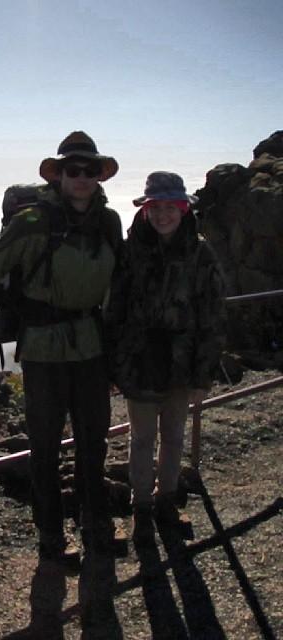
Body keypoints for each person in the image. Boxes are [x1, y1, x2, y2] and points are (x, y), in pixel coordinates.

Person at [0, 131, 123, 563]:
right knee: (45, 447)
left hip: (92, 346)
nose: (80, 177)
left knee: (94, 443)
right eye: (72, 169)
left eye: (88, 170)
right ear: (59, 175)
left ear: (99, 176)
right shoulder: (33, 221)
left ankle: (95, 526)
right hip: (43, 350)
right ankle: (52, 537)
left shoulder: (108, 223)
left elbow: (121, 283)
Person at [106, 171, 226, 545]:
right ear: (145, 210)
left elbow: (212, 315)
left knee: (173, 435)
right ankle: (141, 504)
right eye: (155, 207)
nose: (162, 215)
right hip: (139, 360)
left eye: (169, 207)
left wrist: (202, 376)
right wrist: (113, 363)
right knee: (142, 438)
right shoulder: (129, 251)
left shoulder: (200, 252)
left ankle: (165, 500)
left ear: (183, 208)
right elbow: (115, 309)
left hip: (181, 362)